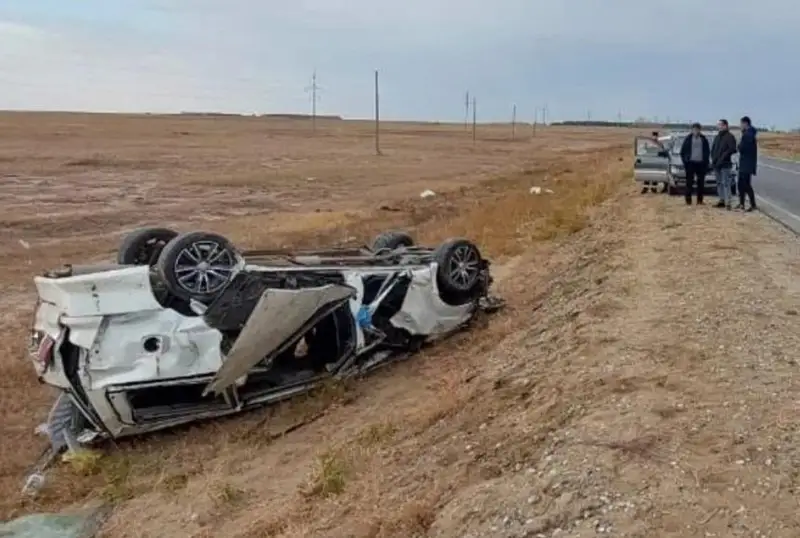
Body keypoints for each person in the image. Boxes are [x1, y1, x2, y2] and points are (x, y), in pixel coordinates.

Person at [679, 123, 710, 205]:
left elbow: (707, 151)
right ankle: (688, 200)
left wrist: (706, 162)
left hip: (701, 164)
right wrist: (685, 162)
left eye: (697, 129)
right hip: (690, 164)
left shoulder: (703, 139)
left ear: (700, 130)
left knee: (701, 183)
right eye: (694, 129)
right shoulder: (688, 139)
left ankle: (700, 200)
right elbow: (682, 152)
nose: (696, 131)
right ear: (692, 130)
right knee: (689, 183)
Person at [710, 119, 738, 210]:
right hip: (716, 164)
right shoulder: (717, 137)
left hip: (725, 164)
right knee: (719, 183)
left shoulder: (730, 136)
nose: (719, 126)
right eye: (718, 125)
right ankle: (721, 200)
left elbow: (733, 149)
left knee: (726, 183)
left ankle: (728, 202)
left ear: (725, 126)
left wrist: (723, 157)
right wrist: (713, 159)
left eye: (720, 125)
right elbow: (714, 149)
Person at [737, 116, 758, 211]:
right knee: (741, 184)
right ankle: (741, 203)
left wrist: (739, 145)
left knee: (746, 184)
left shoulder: (748, 135)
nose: (740, 126)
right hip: (745, 163)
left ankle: (753, 205)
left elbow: (742, 148)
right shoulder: (748, 134)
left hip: (747, 163)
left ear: (746, 124)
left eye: (741, 124)